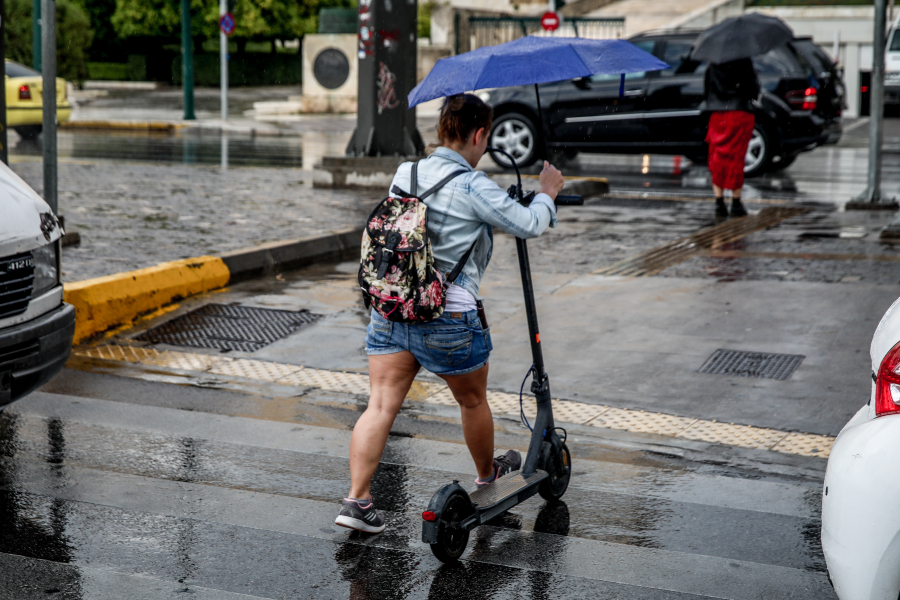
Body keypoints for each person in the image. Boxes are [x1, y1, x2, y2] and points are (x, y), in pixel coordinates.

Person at [335, 93, 566, 534]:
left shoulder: (408, 171)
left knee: (380, 405)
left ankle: (356, 501)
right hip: (447, 317)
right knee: (472, 400)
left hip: (394, 308)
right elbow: (528, 223)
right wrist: (547, 194)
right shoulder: (472, 185)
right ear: (479, 134)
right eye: (487, 137)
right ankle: (487, 477)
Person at [703, 57, 761, 218]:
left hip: (718, 113)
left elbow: (707, 89)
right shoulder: (744, 60)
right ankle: (736, 202)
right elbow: (754, 88)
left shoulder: (713, 62)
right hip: (739, 111)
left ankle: (719, 202)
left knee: (717, 155)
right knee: (736, 156)